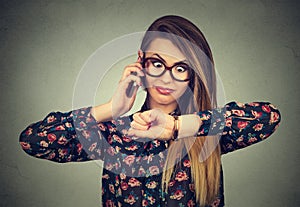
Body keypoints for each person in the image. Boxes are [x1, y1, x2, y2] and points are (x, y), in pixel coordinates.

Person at [19, 15, 281, 207]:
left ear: (193, 75)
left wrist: (177, 127)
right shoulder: (115, 134)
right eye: (157, 63)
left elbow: (268, 117)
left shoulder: (205, 133)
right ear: (141, 61)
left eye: (180, 68)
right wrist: (112, 108)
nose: (167, 79)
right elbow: (33, 141)